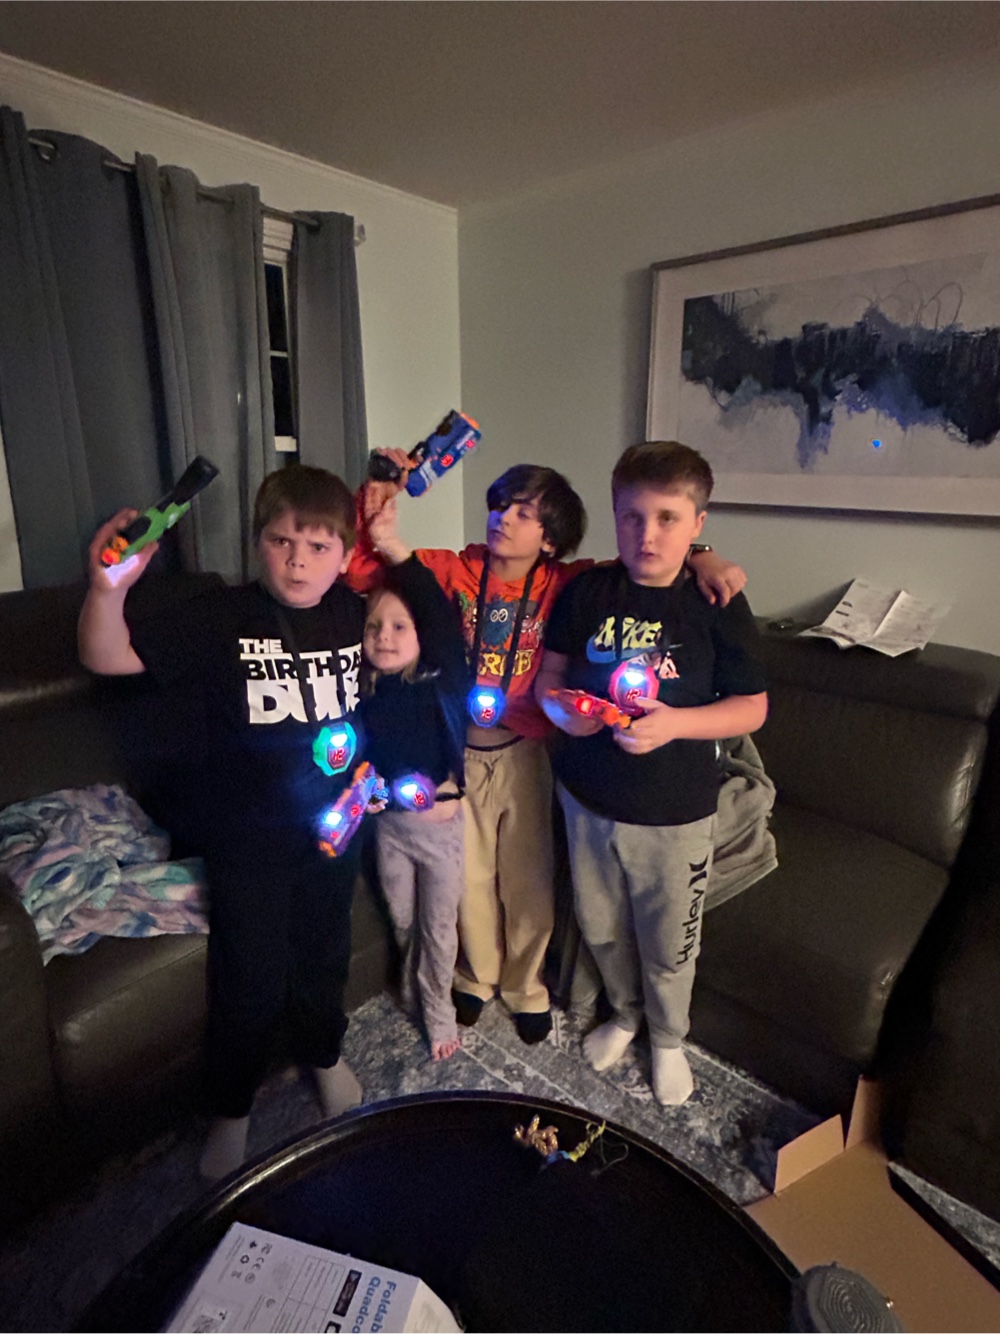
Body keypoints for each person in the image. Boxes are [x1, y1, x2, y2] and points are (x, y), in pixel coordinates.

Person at [350, 453, 748, 1047]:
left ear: (551, 539)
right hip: (457, 754)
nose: (503, 519)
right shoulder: (451, 570)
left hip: (528, 750)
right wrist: (378, 496)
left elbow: (646, 558)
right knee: (469, 878)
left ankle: (524, 984)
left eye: (524, 513)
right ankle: (477, 976)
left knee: (528, 877)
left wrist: (703, 553)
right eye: (499, 506)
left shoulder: (566, 583)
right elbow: (362, 568)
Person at [79, 465, 370, 1180]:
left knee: (326, 951)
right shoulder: (222, 615)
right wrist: (107, 589)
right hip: (250, 836)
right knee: (249, 975)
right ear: (257, 541)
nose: (298, 561)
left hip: (336, 827)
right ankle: (232, 1106)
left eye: (318, 546)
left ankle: (324, 1053)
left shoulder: (354, 611)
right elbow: (106, 656)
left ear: (344, 555)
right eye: (280, 542)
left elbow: (420, 643)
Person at [535, 441, 768, 1106]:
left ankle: (668, 1039)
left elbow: (753, 707)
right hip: (587, 799)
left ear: (698, 525)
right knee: (602, 926)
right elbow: (551, 678)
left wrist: (673, 724)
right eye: (632, 517)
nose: (647, 534)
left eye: (668, 518)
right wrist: (561, 710)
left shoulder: (716, 601)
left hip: (675, 811)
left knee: (669, 943)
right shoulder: (587, 592)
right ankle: (625, 1014)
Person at [357, 558, 470, 1061]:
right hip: (389, 831)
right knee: (403, 918)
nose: (384, 636)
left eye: (400, 626)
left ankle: (439, 1010)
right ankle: (412, 981)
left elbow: (438, 618)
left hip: (439, 836)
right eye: (374, 626)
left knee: (438, 930)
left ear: (423, 634)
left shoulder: (441, 682)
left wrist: (395, 551)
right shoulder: (364, 690)